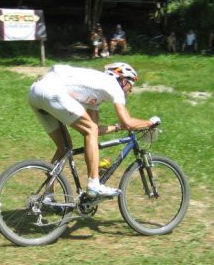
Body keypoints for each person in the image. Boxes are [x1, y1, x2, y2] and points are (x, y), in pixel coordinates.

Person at [27, 62, 158, 197]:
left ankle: (47, 196)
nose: (129, 91)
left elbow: (95, 131)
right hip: (51, 91)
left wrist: (118, 127)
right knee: (90, 130)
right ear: (123, 80)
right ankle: (94, 185)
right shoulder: (113, 85)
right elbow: (127, 123)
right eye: (130, 86)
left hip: (35, 92)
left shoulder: (97, 93)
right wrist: (150, 123)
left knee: (65, 147)